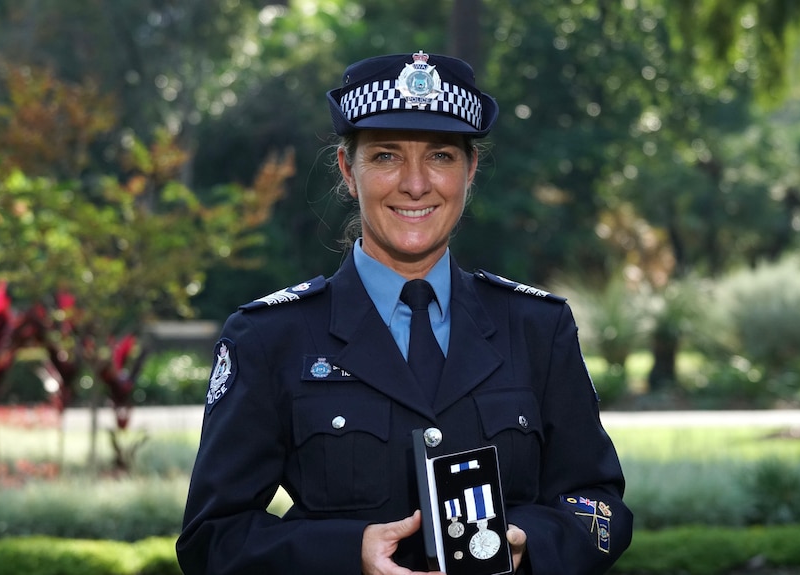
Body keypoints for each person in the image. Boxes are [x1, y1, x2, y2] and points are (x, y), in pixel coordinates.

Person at [176, 50, 632, 575]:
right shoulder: (270, 337)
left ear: (470, 169)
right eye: (387, 156)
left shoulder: (536, 327)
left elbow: (599, 507)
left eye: (440, 156)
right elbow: (212, 540)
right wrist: (350, 554)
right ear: (349, 171)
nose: (415, 184)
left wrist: (531, 542)